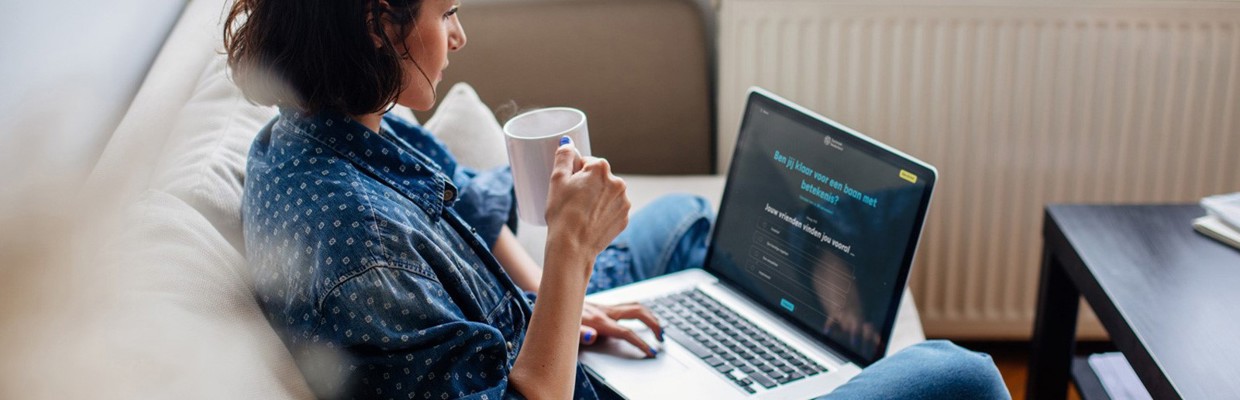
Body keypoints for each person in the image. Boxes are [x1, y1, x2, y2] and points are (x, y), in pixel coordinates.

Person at [225, 0, 1011, 399]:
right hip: (553, 381)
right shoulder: (357, 255)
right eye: (445, 12)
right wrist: (569, 254)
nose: (458, 36)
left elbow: (461, 202)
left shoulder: (329, 128)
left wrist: (557, 304)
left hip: (526, 330)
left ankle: (782, 359)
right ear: (376, 25)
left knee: (689, 226)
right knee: (963, 377)